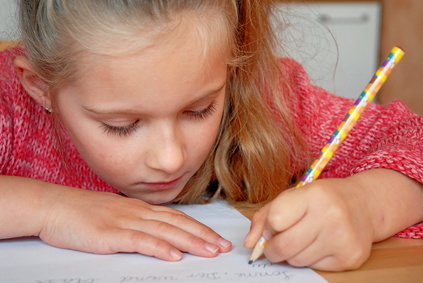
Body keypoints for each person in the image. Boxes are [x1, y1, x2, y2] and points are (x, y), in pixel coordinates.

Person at [0, 0, 422, 272]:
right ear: (40, 87)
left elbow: (412, 144)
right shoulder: (11, 106)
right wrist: (47, 209)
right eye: (122, 124)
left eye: (198, 110)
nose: (169, 158)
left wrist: (366, 204)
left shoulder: (264, 97)